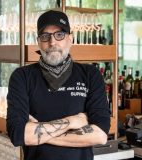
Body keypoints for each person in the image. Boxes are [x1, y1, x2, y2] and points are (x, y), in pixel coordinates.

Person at [7, 10, 110, 160]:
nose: (52, 42)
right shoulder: (22, 77)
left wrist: (39, 133)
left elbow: (100, 135)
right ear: (38, 42)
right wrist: (72, 122)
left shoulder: (90, 75)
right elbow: (17, 134)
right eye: (45, 36)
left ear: (70, 39)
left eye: (59, 35)